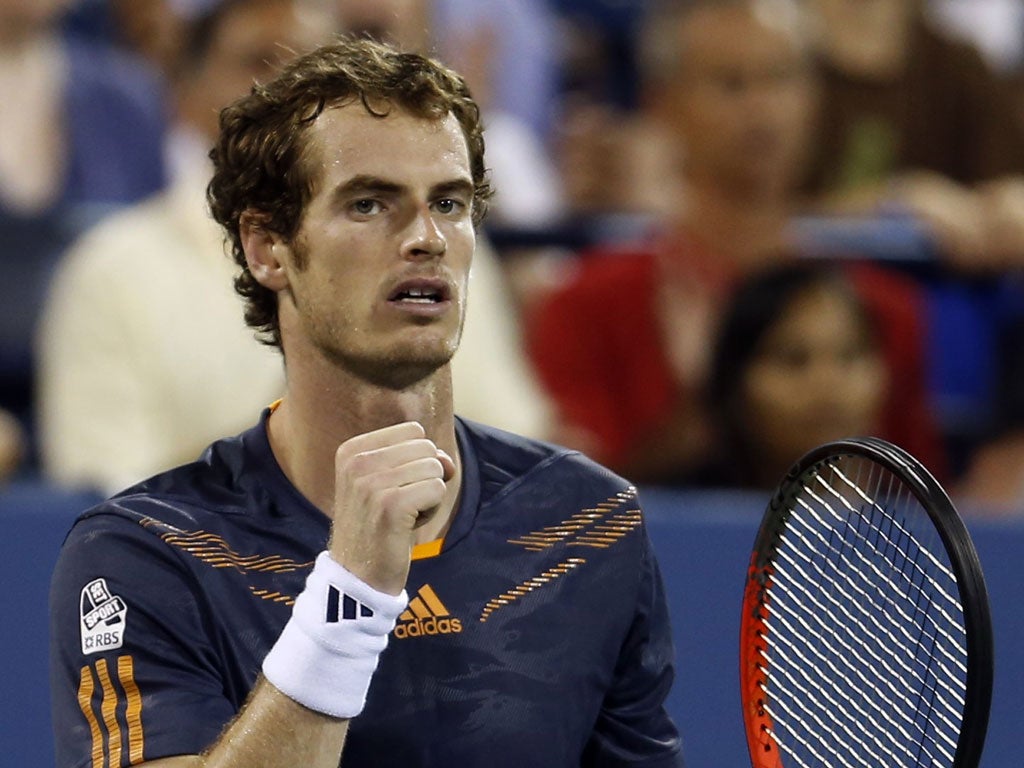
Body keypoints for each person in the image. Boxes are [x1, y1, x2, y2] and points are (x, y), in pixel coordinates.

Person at [49, 37, 683, 767]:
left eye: (449, 202)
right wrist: (349, 596)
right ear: (266, 247)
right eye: (370, 203)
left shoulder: (587, 521)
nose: (425, 238)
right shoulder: (146, 554)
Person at [525, 0, 944, 486]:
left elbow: (919, 506)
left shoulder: (884, 309)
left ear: (817, 96)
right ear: (663, 104)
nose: (762, 108)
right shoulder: (585, 303)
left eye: (781, 78)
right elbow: (568, 502)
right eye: (732, 83)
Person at [35, 0, 325, 494]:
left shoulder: (427, 249)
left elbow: (501, 451)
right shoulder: (111, 270)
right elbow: (105, 493)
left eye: (320, 69)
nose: (294, 93)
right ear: (186, 94)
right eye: (259, 62)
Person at [695, 260, 890, 489]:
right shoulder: (672, 513)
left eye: (850, 355)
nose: (827, 383)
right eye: (793, 359)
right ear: (733, 382)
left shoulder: (919, 510)